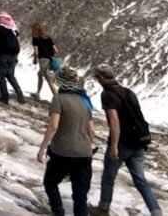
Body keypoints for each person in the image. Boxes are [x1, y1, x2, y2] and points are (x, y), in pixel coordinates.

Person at [90, 65, 161, 216]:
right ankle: (156, 212)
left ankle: (103, 209)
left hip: (122, 143)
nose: (97, 80)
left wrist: (114, 146)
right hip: (138, 142)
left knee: (108, 177)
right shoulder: (129, 92)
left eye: (97, 77)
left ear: (102, 77)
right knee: (141, 181)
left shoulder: (107, 94)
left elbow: (114, 122)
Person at [37, 65, 95, 216]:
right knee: (80, 195)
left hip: (62, 151)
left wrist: (42, 148)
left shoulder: (58, 99)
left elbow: (53, 126)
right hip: (84, 152)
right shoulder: (85, 101)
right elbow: (92, 131)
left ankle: (58, 211)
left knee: (50, 183)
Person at [0, 11, 25, 104]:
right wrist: (16, 56)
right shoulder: (14, 29)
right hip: (13, 55)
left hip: (3, 55)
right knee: (11, 75)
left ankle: (4, 97)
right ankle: (20, 96)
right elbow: (18, 43)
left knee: (1, 76)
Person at [32, 23, 59, 100]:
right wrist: (49, 54)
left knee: (48, 80)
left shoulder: (35, 38)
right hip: (50, 60)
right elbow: (56, 50)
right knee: (40, 75)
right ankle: (37, 93)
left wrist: (35, 59)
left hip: (43, 60)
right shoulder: (48, 37)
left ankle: (57, 98)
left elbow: (36, 52)